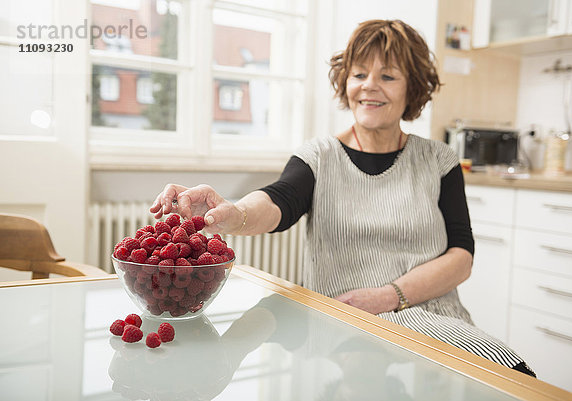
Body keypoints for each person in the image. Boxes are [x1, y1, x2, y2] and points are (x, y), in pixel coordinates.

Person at [150, 19, 535, 376]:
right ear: (345, 82)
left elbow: (461, 255)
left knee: (517, 376)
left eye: (387, 75)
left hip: (439, 317)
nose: (369, 85)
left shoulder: (439, 160)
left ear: (412, 87)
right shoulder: (319, 156)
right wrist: (231, 212)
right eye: (359, 74)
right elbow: (278, 200)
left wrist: (389, 296)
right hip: (346, 326)